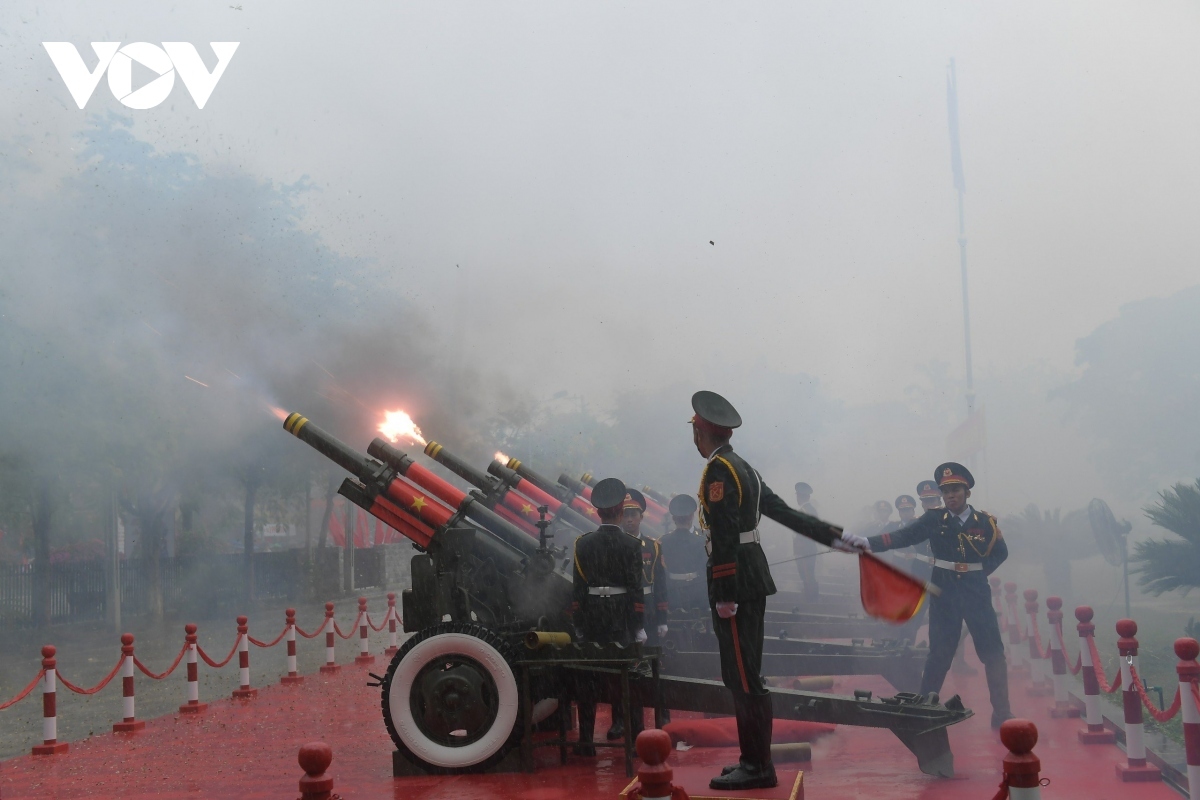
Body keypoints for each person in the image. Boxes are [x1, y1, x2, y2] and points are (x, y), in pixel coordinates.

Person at [689, 390, 869, 790]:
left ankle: (756, 766)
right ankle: (753, 761)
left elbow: (722, 534)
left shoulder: (720, 471)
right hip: (752, 574)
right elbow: (785, 513)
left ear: (702, 432)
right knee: (746, 672)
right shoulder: (745, 468)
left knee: (743, 676)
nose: (694, 438)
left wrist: (725, 593)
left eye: (695, 431)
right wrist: (836, 537)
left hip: (736, 579)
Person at [866, 463, 1013, 728]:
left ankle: (1002, 713)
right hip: (945, 593)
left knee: (993, 654)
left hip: (977, 594)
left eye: (955, 490)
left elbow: (1000, 553)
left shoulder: (985, 522)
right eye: (945, 491)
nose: (950, 496)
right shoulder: (934, 519)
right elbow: (904, 536)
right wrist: (868, 543)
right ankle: (924, 711)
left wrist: (977, 573)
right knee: (939, 654)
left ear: (966, 492)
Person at [570, 477, 646, 756]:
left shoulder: (582, 544)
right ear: (618, 511)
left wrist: (578, 624)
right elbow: (636, 589)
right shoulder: (631, 545)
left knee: (588, 681)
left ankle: (586, 742)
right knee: (629, 678)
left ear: (599, 512)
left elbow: (577, 589)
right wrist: (638, 626)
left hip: (592, 619)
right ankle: (637, 741)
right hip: (620, 618)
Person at [607, 488, 669, 739]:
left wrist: (663, 619)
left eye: (633, 514)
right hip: (623, 611)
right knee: (621, 666)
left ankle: (661, 714)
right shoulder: (613, 545)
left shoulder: (653, 547)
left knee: (653, 667)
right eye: (625, 514)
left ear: (641, 517)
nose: (629, 519)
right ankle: (620, 720)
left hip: (649, 612)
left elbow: (661, 584)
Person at [659, 494, 708, 611]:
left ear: (673, 518)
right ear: (691, 516)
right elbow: (704, 569)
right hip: (694, 591)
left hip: (675, 592)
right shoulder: (701, 541)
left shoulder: (663, 541)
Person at [791, 482, 821, 602]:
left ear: (804, 497)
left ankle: (811, 599)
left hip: (805, 549)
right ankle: (810, 597)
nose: (798, 498)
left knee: (807, 574)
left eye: (799, 496)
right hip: (804, 548)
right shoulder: (808, 509)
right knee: (806, 574)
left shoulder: (806, 510)